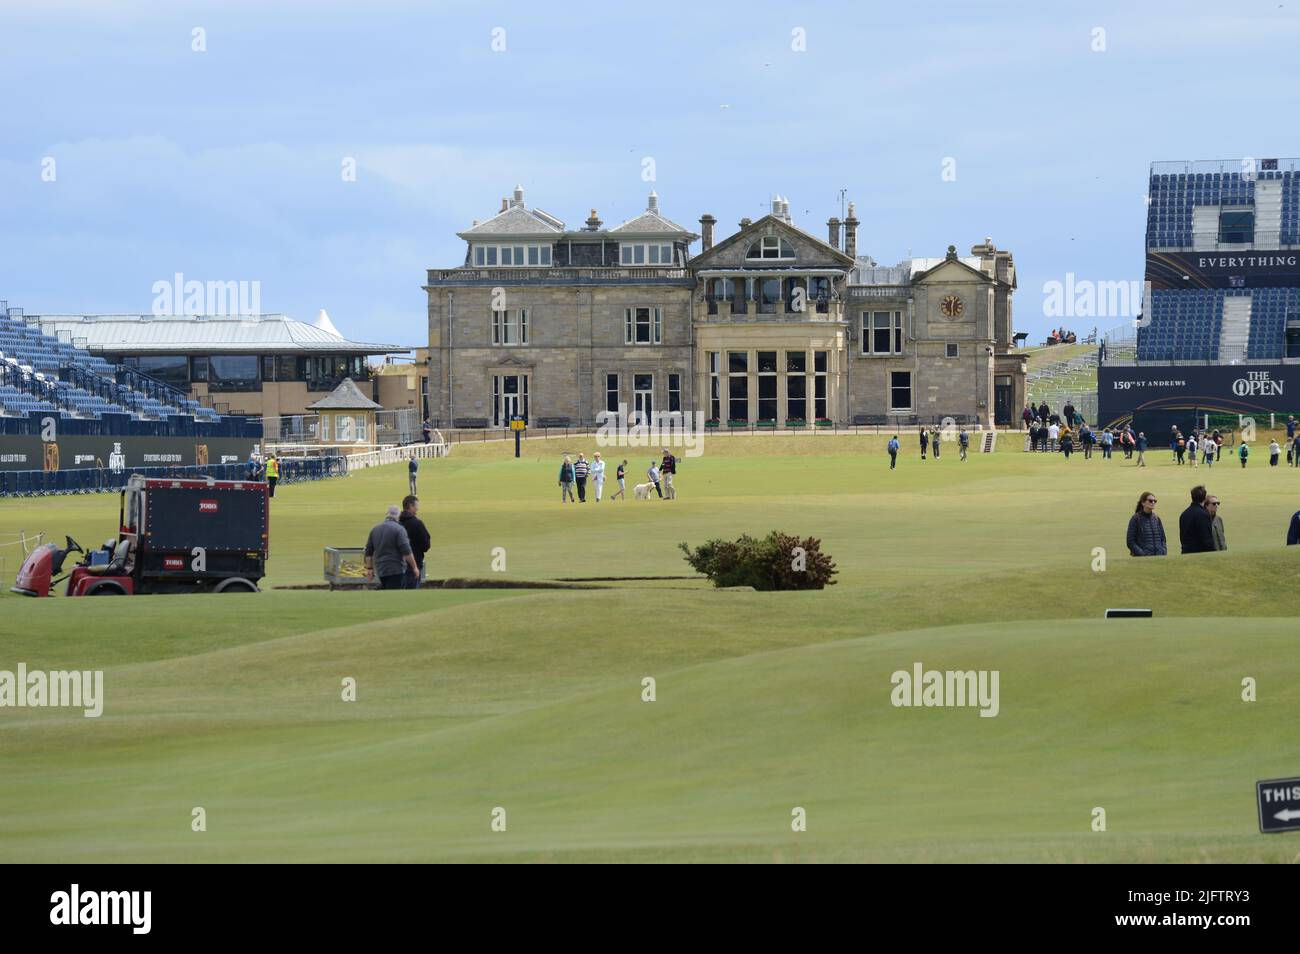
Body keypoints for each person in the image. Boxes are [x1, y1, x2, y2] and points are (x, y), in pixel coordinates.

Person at [364, 505, 418, 590]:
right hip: (396, 569)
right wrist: (414, 567)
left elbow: (368, 552)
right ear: (398, 516)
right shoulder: (399, 529)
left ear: (387, 514)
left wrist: (370, 569)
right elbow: (406, 551)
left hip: (381, 570)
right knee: (395, 597)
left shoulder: (375, 529)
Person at [399, 495, 430, 587]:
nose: (417, 509)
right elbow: (426, 545)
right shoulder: (417, 523)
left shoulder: (395, 523)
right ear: (411, 506)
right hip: (414, 563)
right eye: (416, 506)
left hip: (396, 564)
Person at [1178, 485, 1216, 554]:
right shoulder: (1204, 514)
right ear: (1204, 498)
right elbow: (1206, 538)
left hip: (1186, 552)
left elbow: (1182, 537)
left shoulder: (1184, 514)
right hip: (1200, 553)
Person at [1127, 491, 1167, 556]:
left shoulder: (1156, 518)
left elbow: (1163, 539)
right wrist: (1143, 554)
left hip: (1159, 557)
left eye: (1155, 501)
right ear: (1143, 503)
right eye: (1150, 501)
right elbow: (1130, 542)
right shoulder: (1136, 519)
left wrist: (1163, 552)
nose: (1153, 502)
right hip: (1144, 559)